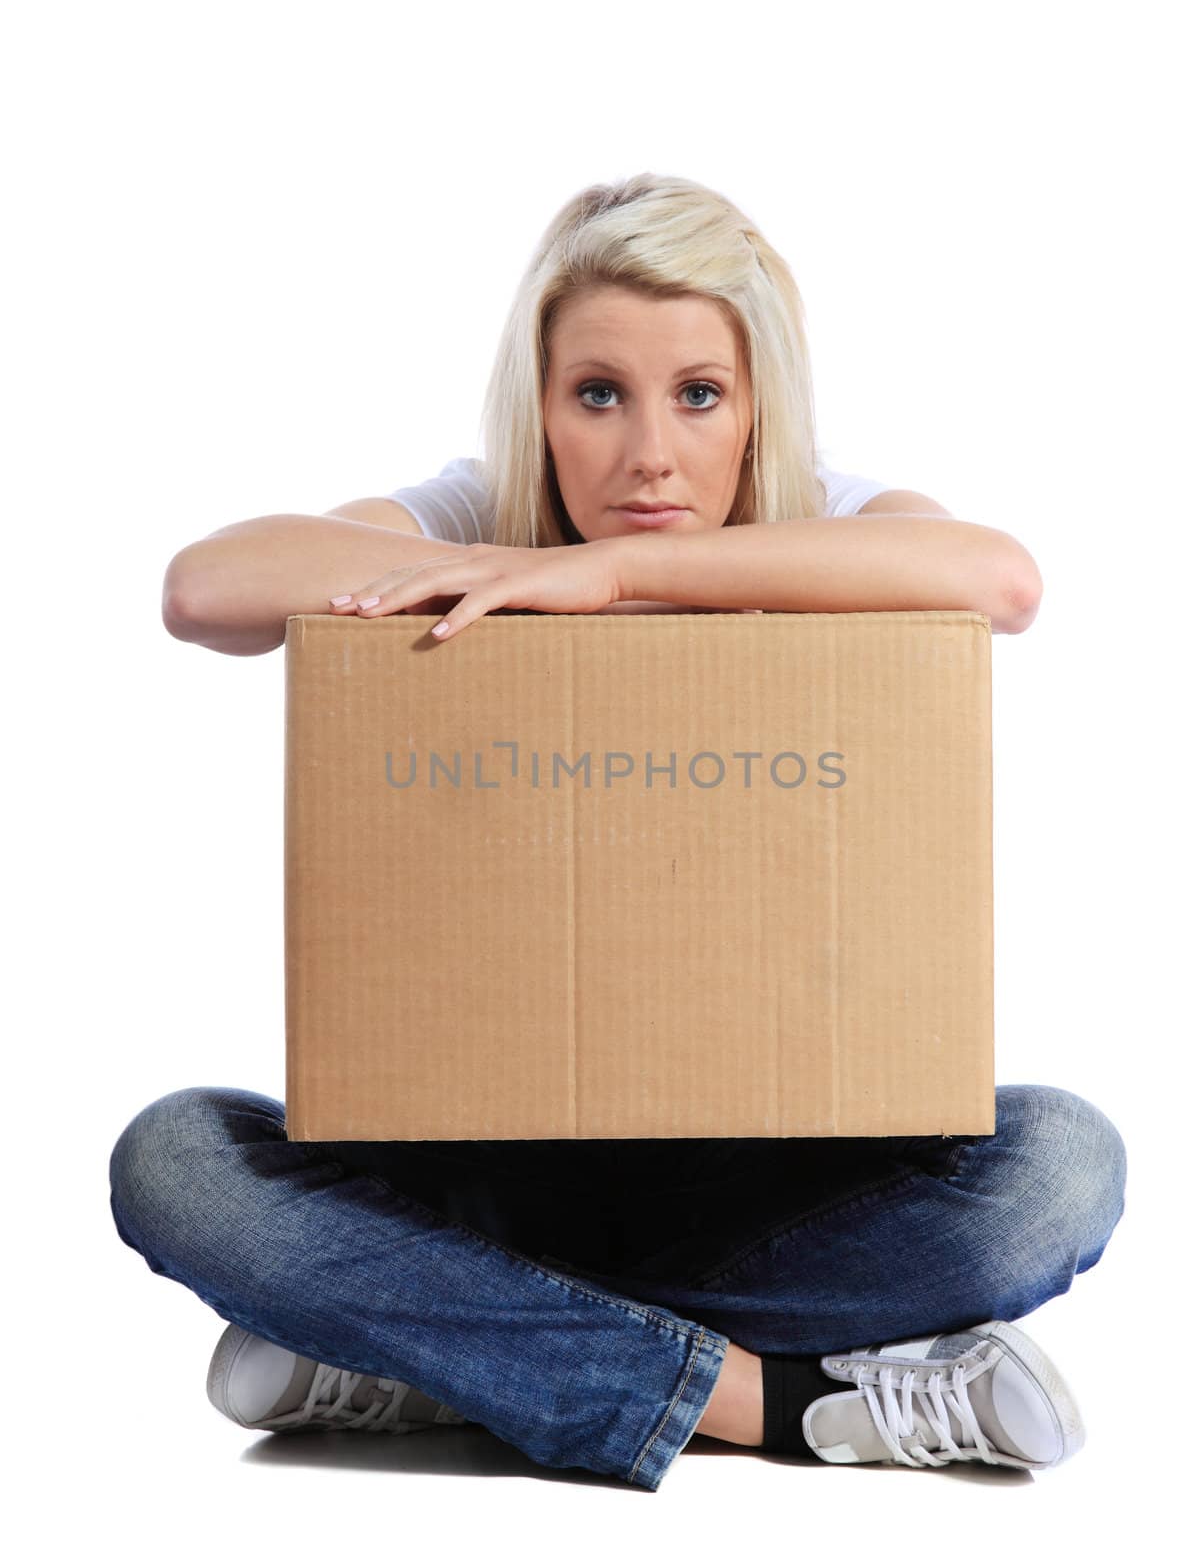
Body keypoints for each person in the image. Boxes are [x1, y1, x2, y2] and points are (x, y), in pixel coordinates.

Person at [110, 172, 1126, 1491]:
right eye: (599, 394)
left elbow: (998, 579)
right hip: (471, 1170)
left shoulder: (818, 508)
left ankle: (424, 1350)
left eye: (699, 395)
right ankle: (788, 1401)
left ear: (756, 404)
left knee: (1065, 1163)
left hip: (768, 1184)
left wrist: (610, 575)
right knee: (174, 1159)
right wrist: (526, 562)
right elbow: (209, 589)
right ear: (540, 404)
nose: (650, 455)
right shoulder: (474, 516)